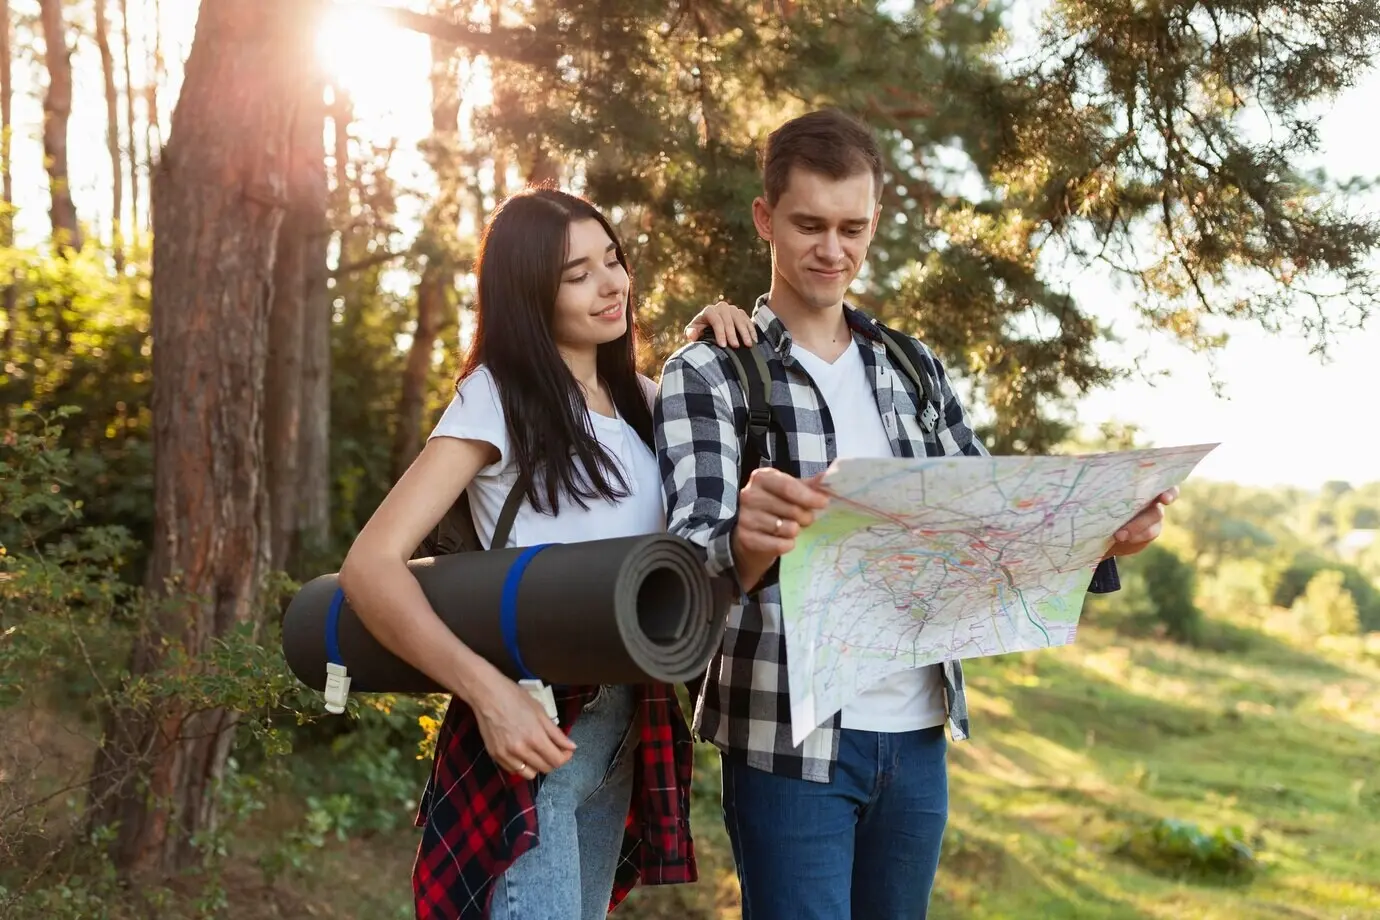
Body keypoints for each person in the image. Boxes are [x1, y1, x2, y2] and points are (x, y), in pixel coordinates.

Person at [653, 108, 1178, 920]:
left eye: (852, 227)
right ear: (765, 219)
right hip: (788, 742)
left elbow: (990, 524)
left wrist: (1105, 536)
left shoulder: (911, 366)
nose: (834, 250)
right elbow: (686, 561)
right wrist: (746, 544)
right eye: (809, 226)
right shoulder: (711, 373)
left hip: (919, 733)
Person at [336, 186, 755, 920]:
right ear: (530, 290)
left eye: (614, 260)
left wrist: (706, 345)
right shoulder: (498, 396)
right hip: (534, 727)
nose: (612, 284)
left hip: (628, 727)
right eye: (578, 273)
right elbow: (371, 566)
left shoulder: (640, 402)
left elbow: (739, 475)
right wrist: (486, 694)